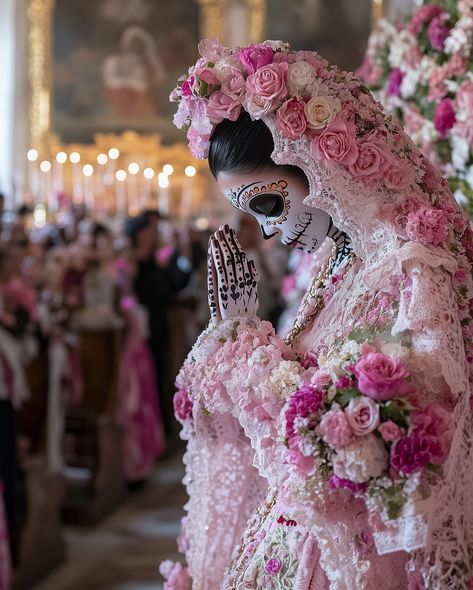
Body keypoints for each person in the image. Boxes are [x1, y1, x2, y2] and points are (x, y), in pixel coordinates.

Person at [160, 39, 473, 588]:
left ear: (320, 161)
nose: (269, 230)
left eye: (270, 204)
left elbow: (392, 444)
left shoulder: (411, 270)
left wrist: (243, 354)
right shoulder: (338, 261)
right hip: (296, 536)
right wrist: (237, 338)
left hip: (361, 552)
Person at [125, 212, 190, 438]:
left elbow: (179, 283)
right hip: (136, 324)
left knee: (162, 372)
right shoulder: (130, 258)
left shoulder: (160, 256)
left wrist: (179, 255)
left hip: (160, 319)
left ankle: (164, 429)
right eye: (148, 228)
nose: (153, 233)